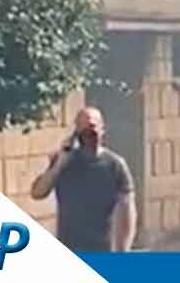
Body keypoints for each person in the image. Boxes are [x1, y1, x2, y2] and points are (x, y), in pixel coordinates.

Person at [30, 107, 138, 252]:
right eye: (83, 129)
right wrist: (59, 164)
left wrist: (123, 249)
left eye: (92, 128)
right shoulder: (64, 162)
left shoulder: (115, 165)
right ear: (76, 133)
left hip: (103, 248)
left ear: (102, 129)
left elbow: (127, 209)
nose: (89, 135)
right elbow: (38, 193)